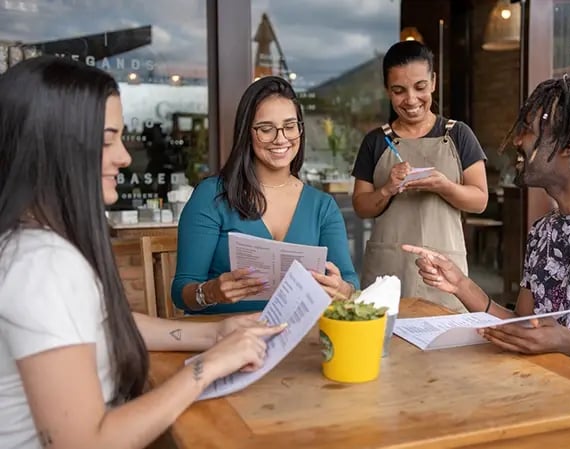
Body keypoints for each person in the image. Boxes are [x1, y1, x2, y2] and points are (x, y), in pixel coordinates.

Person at [0, 56, 286, 449]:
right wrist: (208, 367)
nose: (125, 157)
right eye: (106, 140)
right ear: (51, 147)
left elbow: (105, 323)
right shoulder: (42, 264)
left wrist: (216, 332)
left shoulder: (34, 243)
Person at [403, 75, 570, 449]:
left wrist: (567, 343)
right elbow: (523, 326)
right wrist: (460, 285)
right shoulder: (544, 229)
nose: (516, 141)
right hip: (537, 401)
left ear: (568, 146)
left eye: (527, 131)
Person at [171, 76, 358, 315]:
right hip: (225, 337)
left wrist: (341, 288)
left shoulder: (322, 206)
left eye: (290, 126)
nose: (281, 139)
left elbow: (351, 284)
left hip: (298, 337)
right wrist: (211, 292)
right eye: (266, 129)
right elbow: (180, 293)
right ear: (246, 133)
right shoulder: (213, 195)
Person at [351, 40, 488, 313]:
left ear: (434, 82)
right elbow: (361, 206)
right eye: (399, 91)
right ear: (387, 91)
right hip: (388, 267)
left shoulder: (458, 134)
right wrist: (387, 189)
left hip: (443, 270)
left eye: (420, 87)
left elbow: (479, 200)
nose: (411, 100)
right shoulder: (376, 141)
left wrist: (445, 186)